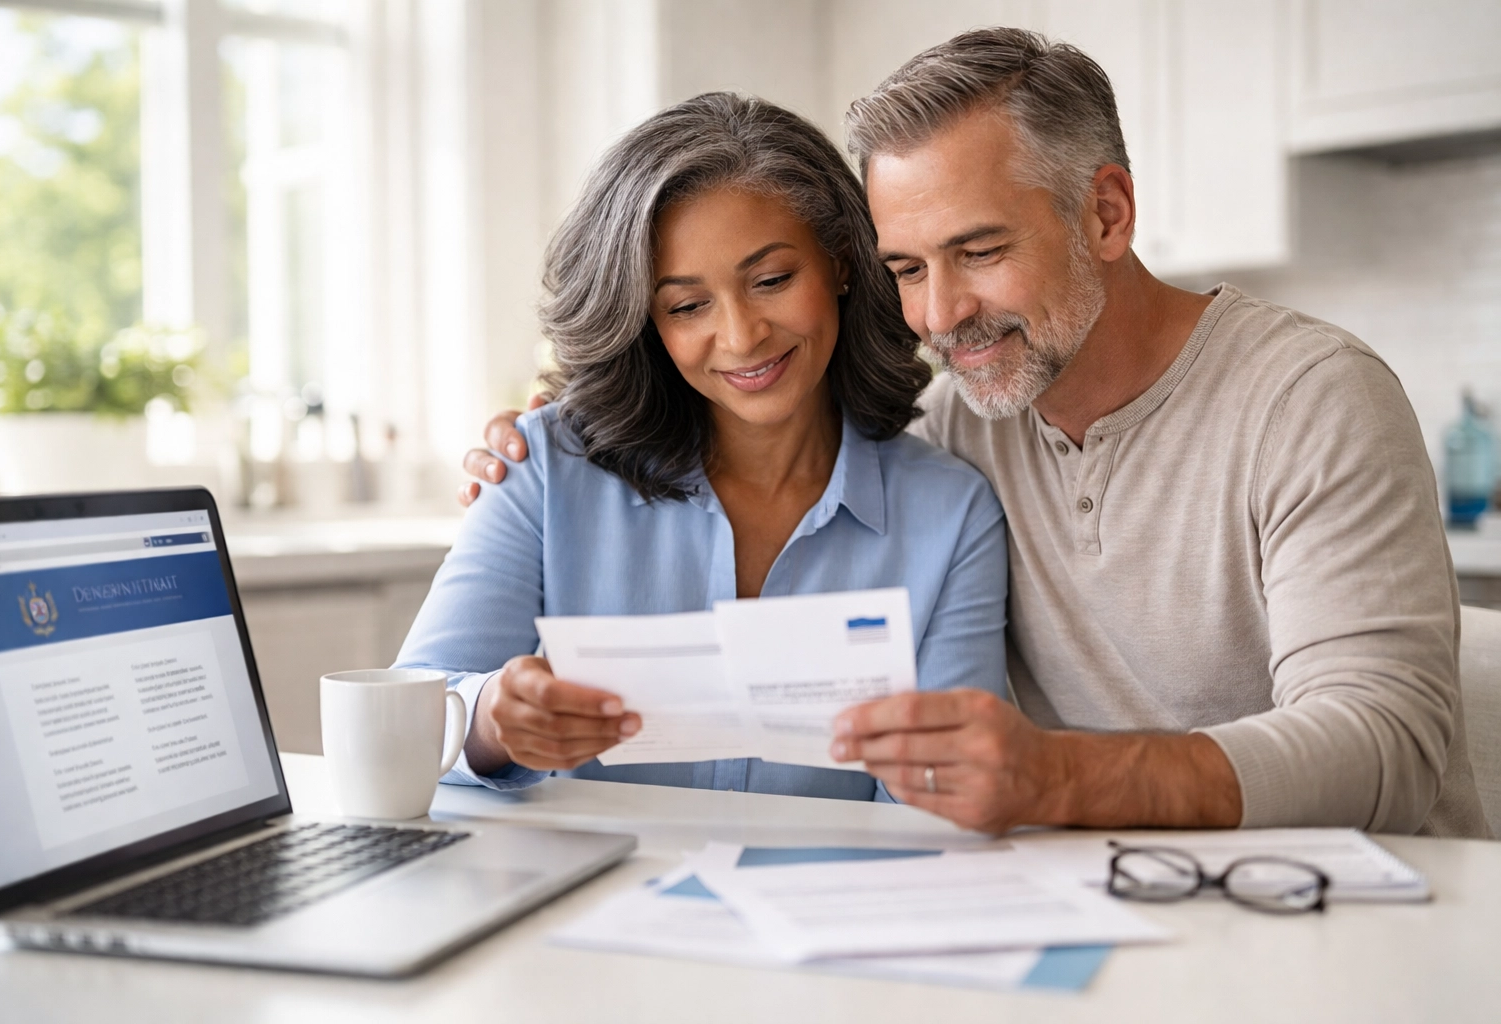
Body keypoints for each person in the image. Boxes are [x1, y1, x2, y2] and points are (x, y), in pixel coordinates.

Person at [462, 29, 1488, 837]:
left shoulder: (1312, 400)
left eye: (980, 250)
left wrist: (1057, 775)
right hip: (1119, 894)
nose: (942, 316)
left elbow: (1383, 749)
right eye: (908, 267)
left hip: (1366, 912)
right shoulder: (962, 424)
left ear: (1108, 214)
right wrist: (546, 432)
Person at [397, 92, 1008, 801]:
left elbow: (938, 805)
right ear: (644, 318)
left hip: (830, 902)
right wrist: (493, 725)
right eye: (687, 306)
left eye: (772, 280)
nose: (743, 336)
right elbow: (414, 712)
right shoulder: (543, 473)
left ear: (841, 263)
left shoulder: (952, 515)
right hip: (588, 902)